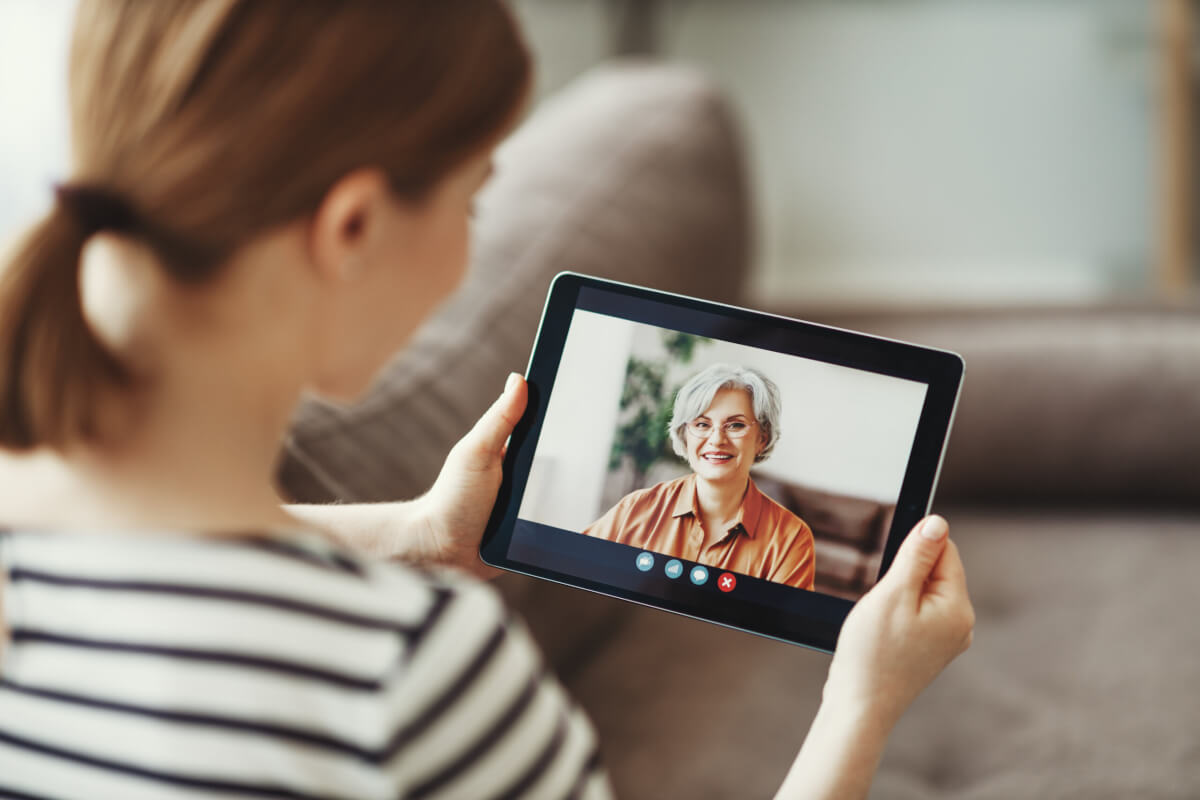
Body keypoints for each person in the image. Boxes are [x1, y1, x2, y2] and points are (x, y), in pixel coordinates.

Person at [0, 2, 973, 799]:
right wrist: (862, 699)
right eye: (473, 199)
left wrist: (418, 530)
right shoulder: (406, 668)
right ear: (352, 226)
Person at [584, 363, 816, 590]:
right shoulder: (636, 508)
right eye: (702, 424)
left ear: (762, 439)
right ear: (685, 435)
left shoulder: (791, 539)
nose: (716, 439)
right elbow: (575, 572)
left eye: (735, 425)